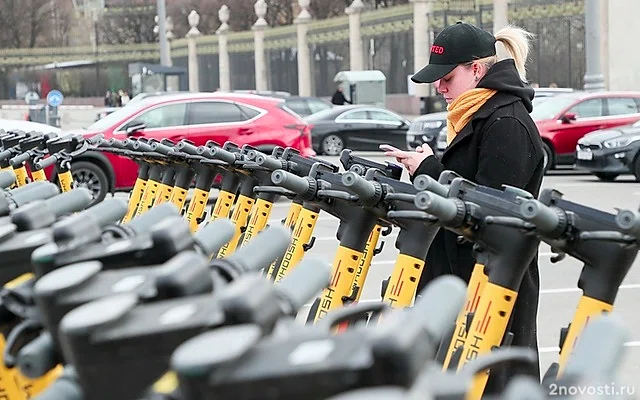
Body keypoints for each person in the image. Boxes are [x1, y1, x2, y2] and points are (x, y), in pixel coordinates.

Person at [383, 22, 545, 393]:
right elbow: (464, 186)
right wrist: (423, 172)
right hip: (464, 277)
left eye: (447, 78)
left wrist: (430, 170)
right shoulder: (476, 113)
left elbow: (489, 208)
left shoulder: (506, 122)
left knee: (492, 385)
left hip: (492, 283)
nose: (439, 87)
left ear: (476, 69)